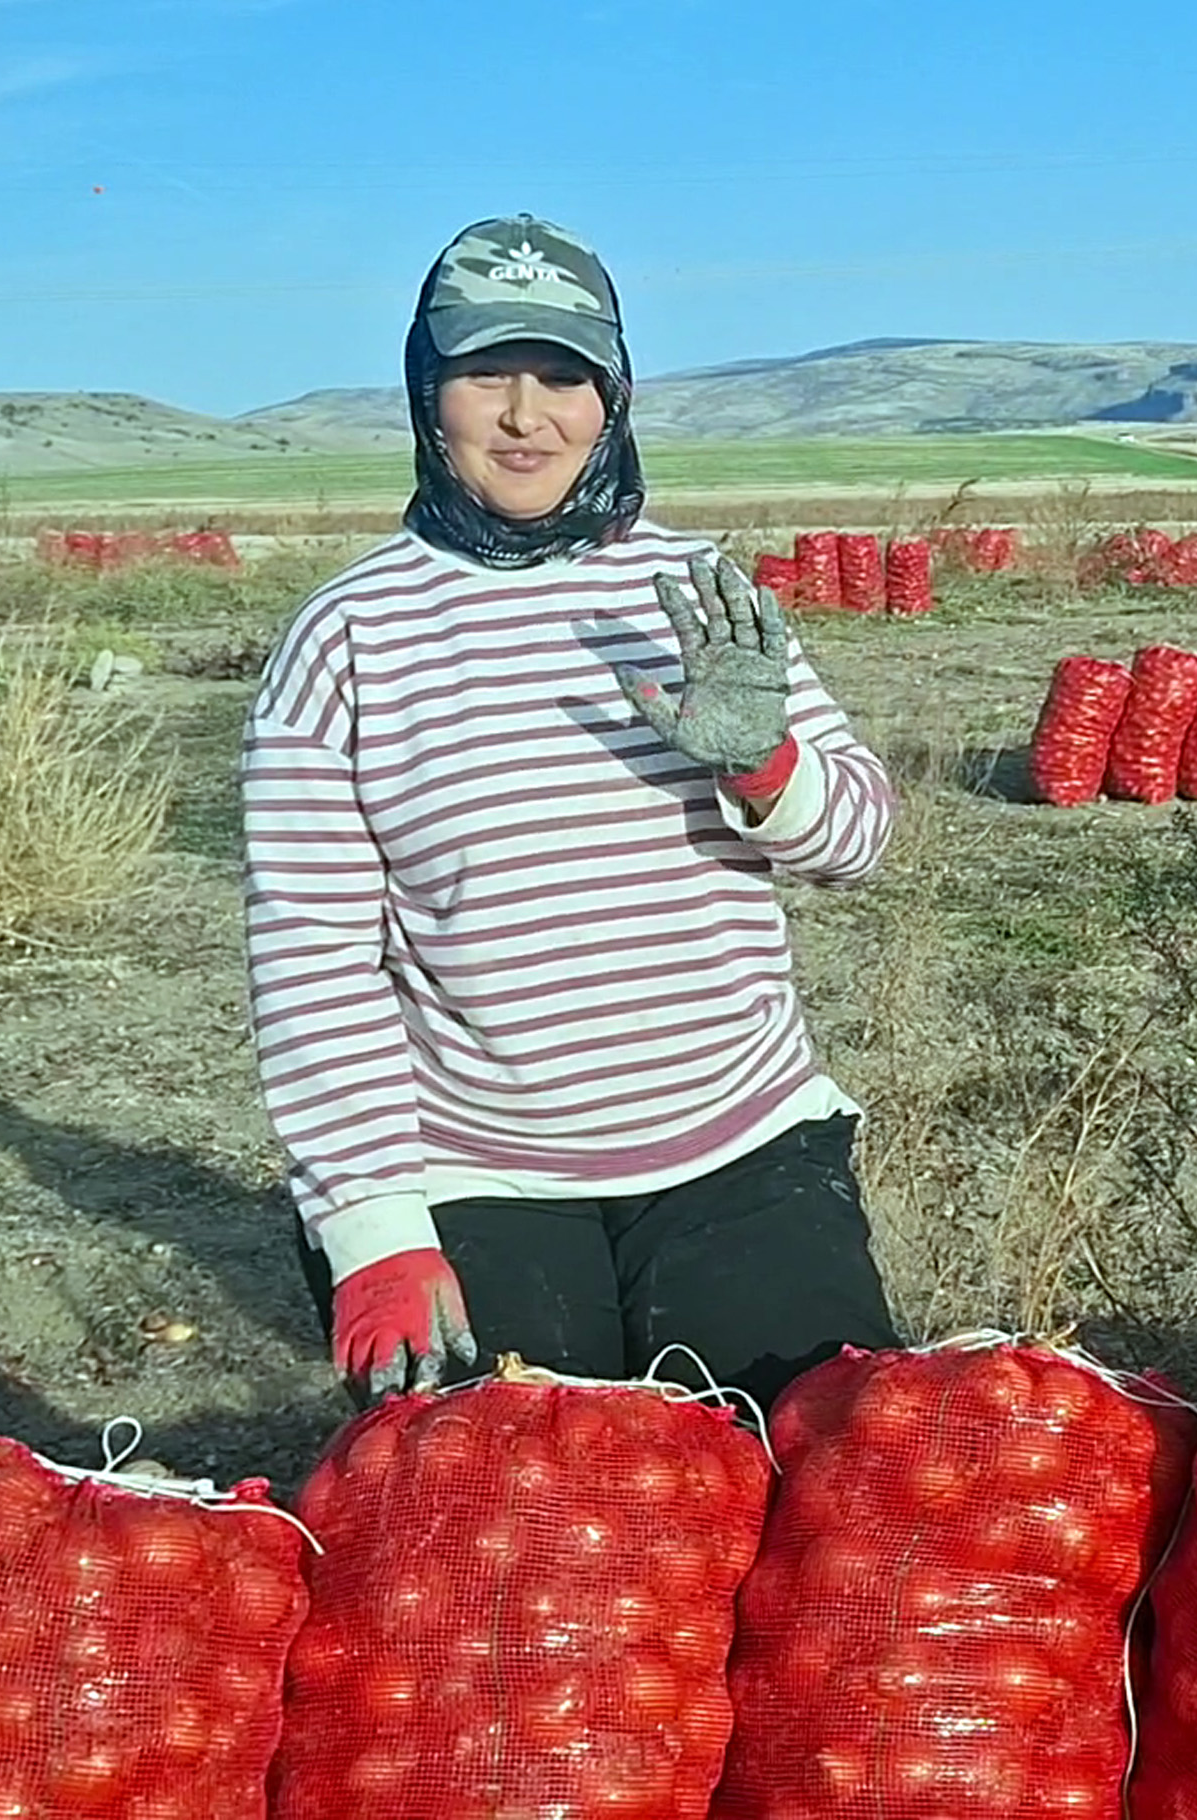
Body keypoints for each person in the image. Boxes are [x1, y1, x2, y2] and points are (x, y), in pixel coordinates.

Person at [243, 214, 901, 1403]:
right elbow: (312, 957)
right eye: (484, 373)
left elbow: (855, 837)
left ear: (615, 393)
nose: (523, 415)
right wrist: (373, 1223)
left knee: (802, 1495)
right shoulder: (347, 636)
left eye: (562, 376)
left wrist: (765, 764)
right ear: (424, 390)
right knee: (531, 1550)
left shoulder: (695, 598)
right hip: (478, 1174)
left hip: (741, 1148)